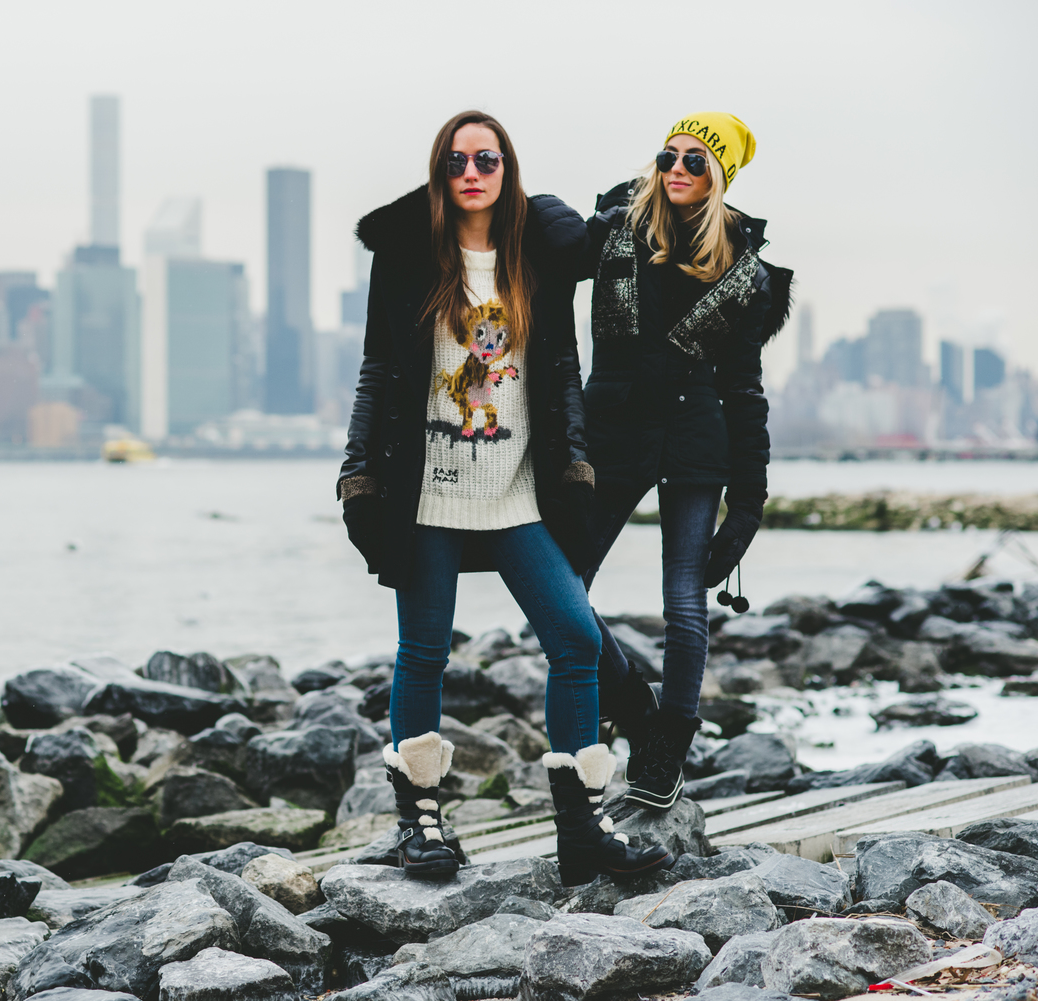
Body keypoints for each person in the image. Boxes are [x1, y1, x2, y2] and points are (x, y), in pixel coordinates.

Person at [338, 110, 672, 886]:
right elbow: (377, 370)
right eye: (456, 161)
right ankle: (421, 821)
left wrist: (578, 458)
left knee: (576, 639)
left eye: (486, 159)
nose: (471, 173)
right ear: (439, 172)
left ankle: (582, 830)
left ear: (505, 168)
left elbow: (561, 369)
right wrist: (358, 472)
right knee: (424, 653)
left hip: (519, 494)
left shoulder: (535, 257)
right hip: (429, 496)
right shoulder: (408, 257)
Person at [579, 114, 793, 809]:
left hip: (695, 438)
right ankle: (635, 709)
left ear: (719, 175)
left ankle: (665, 751)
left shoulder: (744, 272)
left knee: (683, 603)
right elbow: (547, 266)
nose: (676, 168)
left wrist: (749, 505)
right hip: (614, 432)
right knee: (562, 585)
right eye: (668, 154)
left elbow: (745, 391)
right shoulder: (616, 229)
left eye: (696, 160)